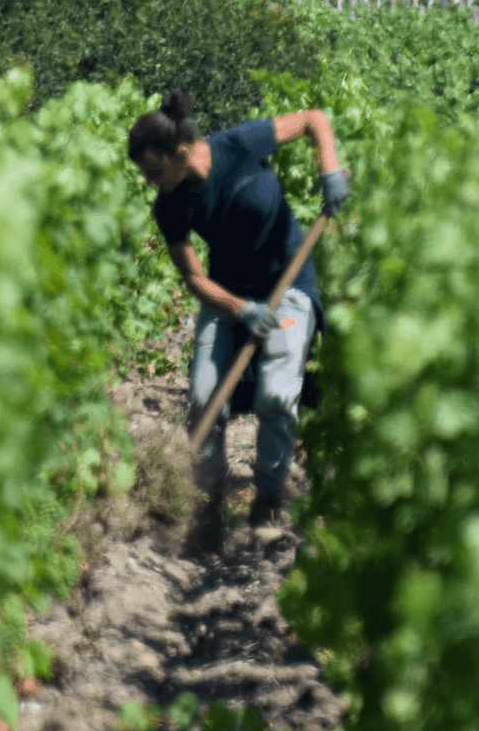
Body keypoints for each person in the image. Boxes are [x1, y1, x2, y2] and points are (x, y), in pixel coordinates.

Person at [128, 88, 350, 551]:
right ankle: (207, 506)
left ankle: (269, 498)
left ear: (181, 151)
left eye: (153, 170)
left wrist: (329, 170)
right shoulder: (170, 206)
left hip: (287, 286)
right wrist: (240, 309)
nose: (150, 181)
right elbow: (193, 278)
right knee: (206, 397)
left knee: (276, 393)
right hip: (227, 295)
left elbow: (313, 119)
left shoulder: (241, 144)